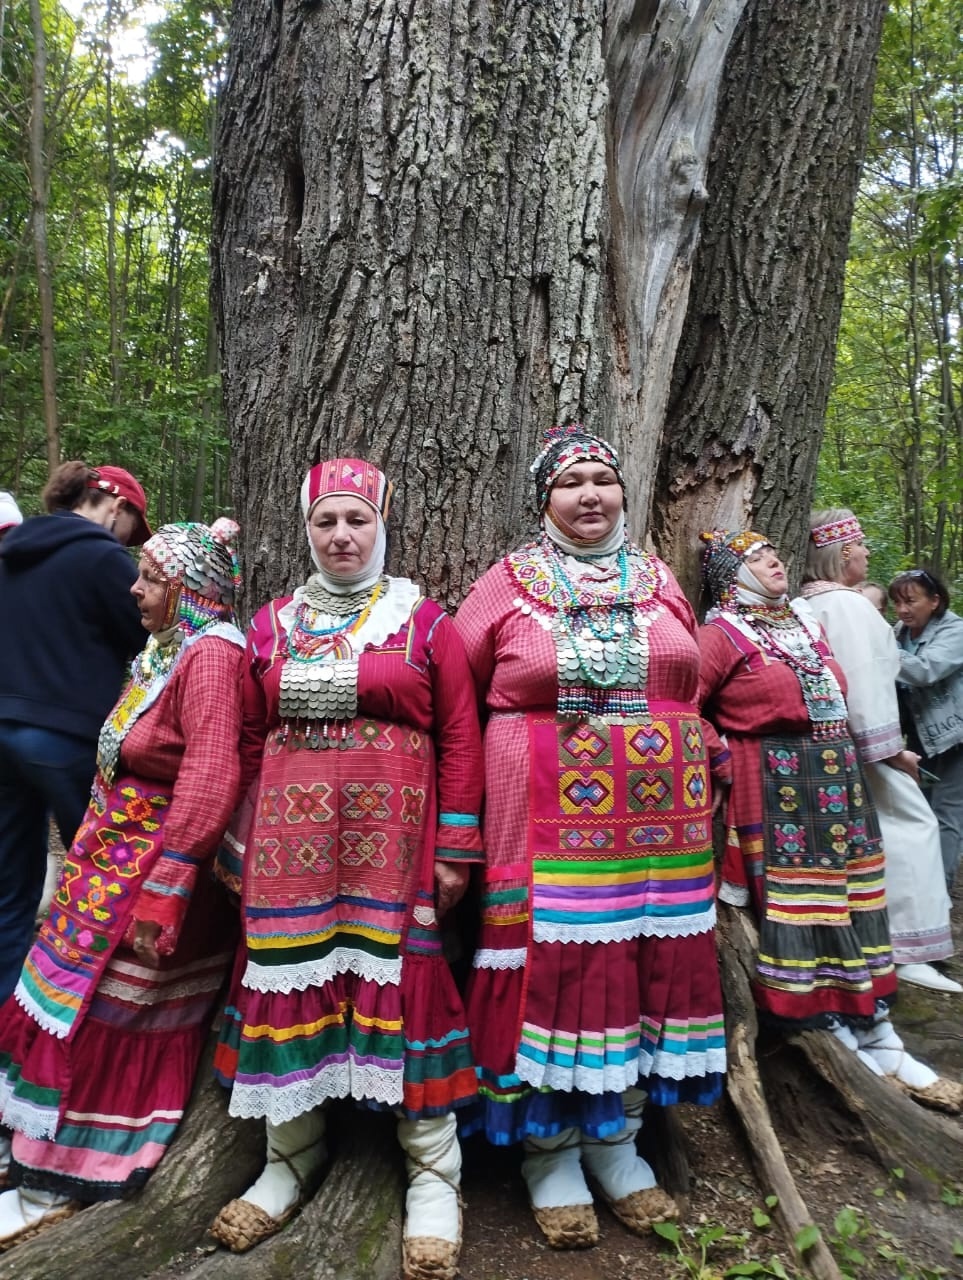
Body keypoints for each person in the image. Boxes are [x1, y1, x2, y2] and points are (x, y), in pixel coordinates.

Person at [452, 427, 726, 1251]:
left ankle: (619, 1144)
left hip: (660, 830)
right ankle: (549, 1152)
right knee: (555, 973)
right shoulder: (505, 585)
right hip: (539, 812)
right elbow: (456, 699)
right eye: (569, 481)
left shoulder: (656, 580)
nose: (589, 495)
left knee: (642, 971)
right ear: (544, 499)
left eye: (602, 478)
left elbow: (691, 682)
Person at [210, 459, 484, 1280]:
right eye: (326, 521)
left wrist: (456, 846)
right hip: (290, 860)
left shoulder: (425, 622)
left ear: (381, 526)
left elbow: (462, 733)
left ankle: (435, 1178)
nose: (341, 536)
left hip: (395, 853)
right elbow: (250, 737)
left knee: (408, 990)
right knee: (286, 987)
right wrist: (242, 839)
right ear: (306, 529)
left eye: (356, 521)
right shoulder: (269, 625)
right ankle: (286, 1161)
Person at [0, 518, 246, 1245]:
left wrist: (170, 881)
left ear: (188, 589)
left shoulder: (211, 658)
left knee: (103, 1009)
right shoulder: (163, 651)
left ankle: (63, 1172)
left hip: (149, 874)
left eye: (151, 578)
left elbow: (211, 771)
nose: (134, 590)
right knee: (58, 991)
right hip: (107, 860)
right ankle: (30, 1150)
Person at [698, 530, 962, 1110]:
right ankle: (833, 1026)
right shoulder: (719, 636)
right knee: (806, 907)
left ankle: (881, 1033)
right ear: (730, 574)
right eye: (756, 558)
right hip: (778, 785)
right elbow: (683, 704)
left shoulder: (802, 623)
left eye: (774, 553)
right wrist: (719, 755)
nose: (774, 562)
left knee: (855, 900)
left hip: (837, 781)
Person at [0, 462, 151, 1002]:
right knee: (99, 874)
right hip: (62, 736)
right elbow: (144, 640)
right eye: (136, 528)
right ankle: (86, 1006)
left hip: (3, 727)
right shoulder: (103, 557)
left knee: (10, 886)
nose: (134, 545)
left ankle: (7, 1014)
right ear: (117, 506)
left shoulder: (12, 549)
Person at [799, 512, 958, 993]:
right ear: (844, 552)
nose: (868, 553)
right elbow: (864, 683)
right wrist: (893, 755)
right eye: (862, 545)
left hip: (831, 746)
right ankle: (906, 949)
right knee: (913, 830)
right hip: (862, 748)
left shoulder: (811, 602)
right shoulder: (847, 607)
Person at [890, 567, 963, 893]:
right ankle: (920, 891)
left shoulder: (956, 631)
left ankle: (939, 895)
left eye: (910, 601)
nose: (903, 610)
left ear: (934, 601)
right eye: (897, 603)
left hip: (955, 737)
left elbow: (924, 670)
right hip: (919, 737)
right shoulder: (899, 632)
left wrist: (872, 646)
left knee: (946, 814)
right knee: (920, 811)